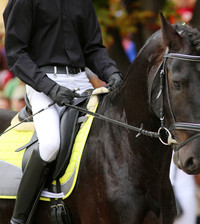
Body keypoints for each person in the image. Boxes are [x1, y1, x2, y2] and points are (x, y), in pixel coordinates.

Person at [3, 1, 123, 223]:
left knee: (109, 133)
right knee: (50, 144)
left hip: (80, 80)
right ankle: (19, 219)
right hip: (42, 83)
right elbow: (15, 54)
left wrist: (112, 72)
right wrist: (50, 88)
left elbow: (93, 48)